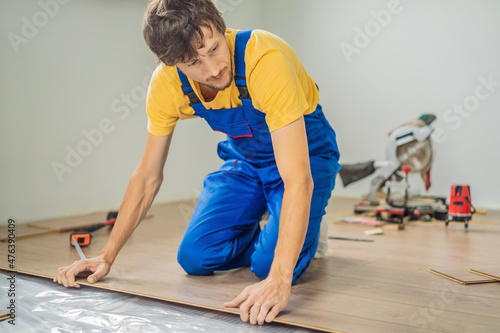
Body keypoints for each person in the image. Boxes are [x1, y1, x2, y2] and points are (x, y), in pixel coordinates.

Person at [54, 0, 341, 326]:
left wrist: (278, 278)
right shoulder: (167, 85)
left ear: (221, 27)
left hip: (305, 157)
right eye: (193, 62)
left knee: (267, 267)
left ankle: (306, 228)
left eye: (214, 48)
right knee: (196, 257)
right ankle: (283, 225)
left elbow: (298, 178)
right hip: (246, 160)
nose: (213, 68)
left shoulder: (265, 59)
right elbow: (147, 175)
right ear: (172, 63)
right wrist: (107, 256)